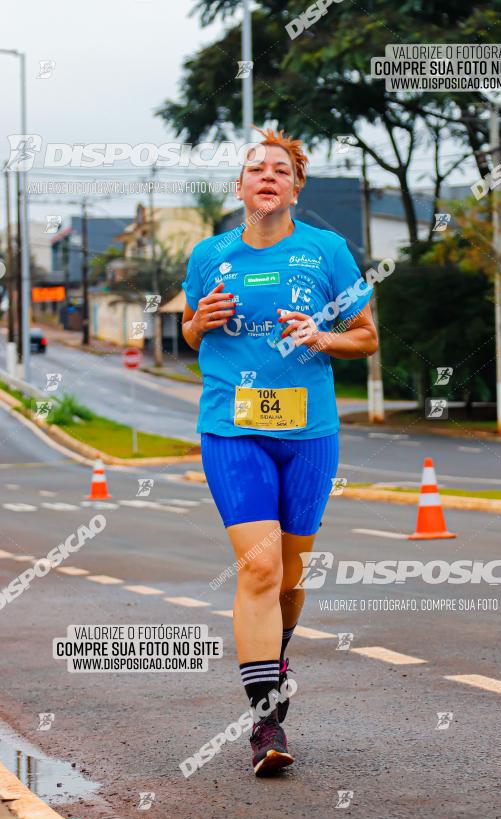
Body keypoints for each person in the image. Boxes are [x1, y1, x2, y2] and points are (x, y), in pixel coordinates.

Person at [181, 126, 378, 777]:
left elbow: (367, 338)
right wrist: (196, 324)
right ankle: (265, 721)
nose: (265, 176)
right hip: (230, 428)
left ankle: (277, 650)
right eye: (253, 168)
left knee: (290, 579)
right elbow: (190, 328)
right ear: (239, 186)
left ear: (295, 186)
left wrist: (322, 337)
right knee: (260, 570)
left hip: (309, 433)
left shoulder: (326, 251)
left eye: (279, 169)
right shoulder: (209, 254)